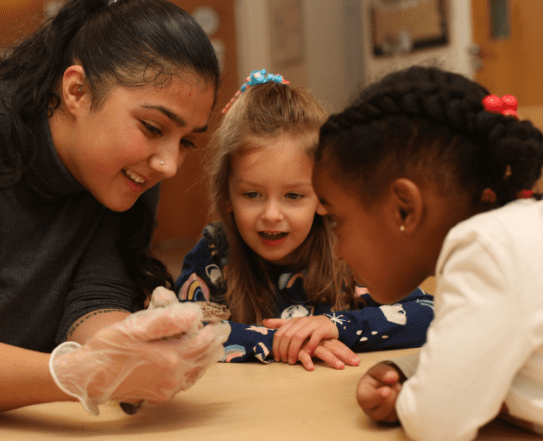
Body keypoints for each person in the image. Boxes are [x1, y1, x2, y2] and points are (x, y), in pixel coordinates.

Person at [0, 0, 229, 416]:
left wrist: (140, 345)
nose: (168, 165)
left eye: (186, 141)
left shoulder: (128, 173)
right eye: (153, 128)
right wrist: (81, 372)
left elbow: (94, 301)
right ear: (76, 90)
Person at [313, 66, 543, 441]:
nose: (337, 249)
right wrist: (409, 372)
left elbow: (436, 425)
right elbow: (480, 352)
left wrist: (412, 401)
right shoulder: (528, 228)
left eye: (337, 221)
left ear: (404, 209)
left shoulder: (488, 252)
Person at [173, 70, 434, 371]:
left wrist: (336, 326)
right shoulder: (215, 253)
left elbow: (431, 312)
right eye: (252, 194)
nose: (271, 214)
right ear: (227, 196)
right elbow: (179, 331)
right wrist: (279, 343)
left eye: (293, 196)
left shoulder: (351, 251)